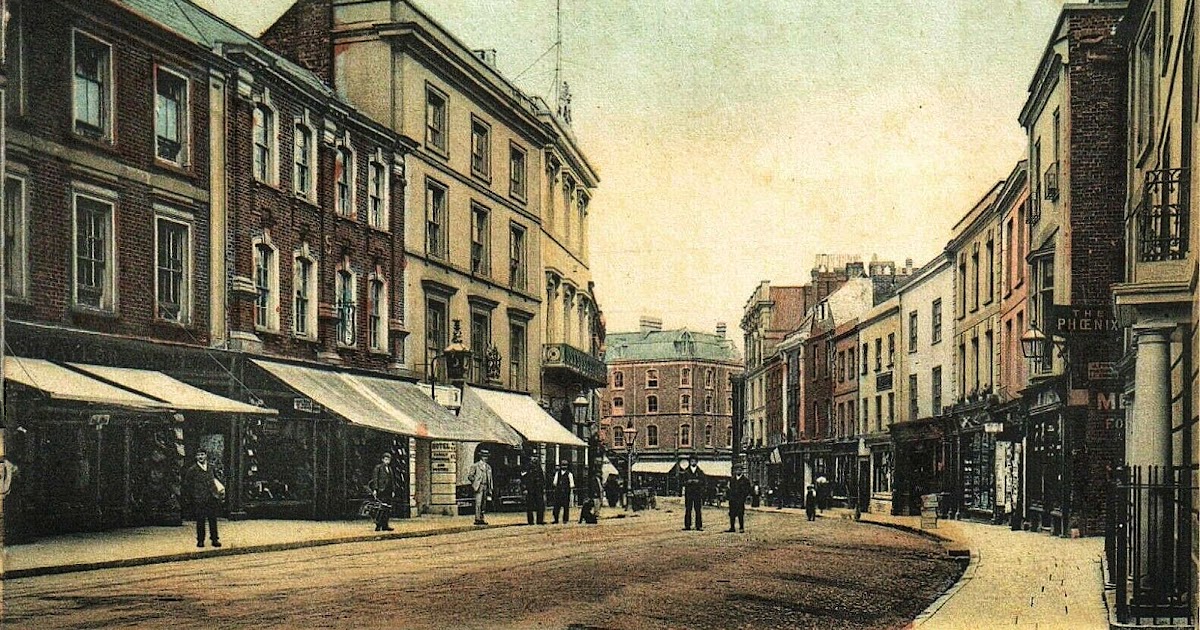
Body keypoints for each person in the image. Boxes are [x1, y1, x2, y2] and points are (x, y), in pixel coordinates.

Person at [182, 450, 222, 548]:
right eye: (198, 455)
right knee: (200, 520)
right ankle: (200, 540)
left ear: (206, 456)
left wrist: (217, 492)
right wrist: (193, 496)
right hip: (199, 498)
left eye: (202, 455)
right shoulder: (192, 470)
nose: (200, 457)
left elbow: (216, 479)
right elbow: (187, 485)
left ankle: (215, 539)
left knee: (213, 519)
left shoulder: (211, 467)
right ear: (196, 457)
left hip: (212, 497)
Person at [466, 449, 494, 526]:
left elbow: (490, 478)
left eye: (486, 456)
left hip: (486, 486)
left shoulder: (488, 467)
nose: (485, 458)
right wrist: (475, 482)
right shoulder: (475, 466)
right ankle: (477, 518)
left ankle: (482, 518)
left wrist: (490, 487)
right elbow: (470, 476)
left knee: (483, 504)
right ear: (481, 457)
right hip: (479, 486)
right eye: (484, 456)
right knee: (478, 503)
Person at [370, 452, 395, 531]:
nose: (387, 461)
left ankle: (385, 525)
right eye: (386, 459)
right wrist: (375, 489)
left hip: (388, 491)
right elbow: (375, 479)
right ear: (383, 459)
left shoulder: (390, 469)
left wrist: (393, 490)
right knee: (381, 508)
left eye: (388, 460)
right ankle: (378, 525)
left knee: (387, 508)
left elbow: (392, 480)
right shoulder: (378, 467)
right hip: (381, 490)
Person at [680, 455, 706, 531]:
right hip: (689, 493)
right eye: (691, 461)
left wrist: (698, 482)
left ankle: (699, 526)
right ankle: (687, 525)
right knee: (688, 509)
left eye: (694, 461)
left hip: (697, 493)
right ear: (689, 462)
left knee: (698, 509)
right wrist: (688, 482)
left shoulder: (700, 472)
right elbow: (682, 482)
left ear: (697, 462)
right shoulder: (686, 472)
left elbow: (703, 482)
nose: (693, 462)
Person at [520, 453, 547, 525]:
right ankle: (530, 521)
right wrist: (524, 488)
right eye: (533, 457)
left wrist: (543, 487)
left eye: (536, 457)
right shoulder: (527, 466)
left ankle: (540, 520)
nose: (535, 458)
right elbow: (523, 478)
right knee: (530, 505)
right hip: (530, 489)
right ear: (530, 458)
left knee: (540, 505)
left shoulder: (539, 467)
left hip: (538, 489)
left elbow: (542, 478)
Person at [726, 467, 752, 533]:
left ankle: (741, 527)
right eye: (737, 470)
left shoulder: (745, 480)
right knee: (732, 514)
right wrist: (729, 497)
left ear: (742, 471)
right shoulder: (732, 479)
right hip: (733, 499)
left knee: (740, 513)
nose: (738, 471)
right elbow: (729, 489)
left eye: (739, 470)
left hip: (740, 499)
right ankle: (732, 527)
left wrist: (743, 497)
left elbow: (747, 490)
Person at [551, 460, 575, 524]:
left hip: (566, 492)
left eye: (565, 465)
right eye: (563, 465)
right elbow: (555, 482)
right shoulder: (557, 473)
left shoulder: (569, 474)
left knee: (566, 506)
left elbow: (572, 484)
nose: (564, 466)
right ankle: (556, 519)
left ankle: (565, 519)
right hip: (558, 492)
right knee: (556, 506)